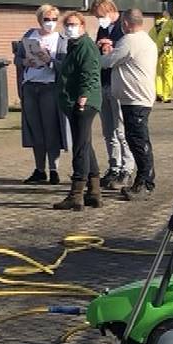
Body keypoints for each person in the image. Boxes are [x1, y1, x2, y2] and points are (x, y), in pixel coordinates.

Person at [98, 8, 159, 201]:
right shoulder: (145, 39)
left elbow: (108, 61)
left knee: (137, 140)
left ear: (125, 24)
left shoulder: (130, 41)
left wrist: (105, 51)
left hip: (135, 99)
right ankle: (145, 179)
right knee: (138, 139)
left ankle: (145, 182)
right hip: (136, 97)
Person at [52, 11, 102, 212]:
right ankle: (94, 192)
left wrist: (84, 96)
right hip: (73, 102)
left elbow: (89, 73)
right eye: (67, 24)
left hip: (83, 103)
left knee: (80, 147)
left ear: (82, 26)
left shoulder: (85, 46)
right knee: (86, 145)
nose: (70, 27)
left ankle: (76, 194)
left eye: (74, 24)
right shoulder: (74, 46)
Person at [17, 4, 68, 184]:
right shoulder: (30, 35)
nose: (50, 23)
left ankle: (54, 169)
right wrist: (24, 61)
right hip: (31, 86)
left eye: (54, 20)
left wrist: (50, 61)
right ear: (40, 19)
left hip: (49, 87)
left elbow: (65, 65)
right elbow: (18, 57)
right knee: (35, 130)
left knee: (50, 129)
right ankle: (40, 169)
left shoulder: (62, 39)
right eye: (47, 19)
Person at [90, 0, 136, 189]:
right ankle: (114, 166)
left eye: (101, 16)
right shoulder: (103, 28)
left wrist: (112, 45)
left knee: (121, 130)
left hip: (118, 83)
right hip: (104, 81)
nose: (99, 20)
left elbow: (125, 51)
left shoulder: (123, 27)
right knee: (108, 130)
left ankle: (128, 168)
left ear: (110, 10)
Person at [151, 8, 173, 103]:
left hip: (157, 54)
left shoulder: (154, 28)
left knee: (158, 74)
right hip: (169, 53)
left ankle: (159, 93)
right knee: (168, 75)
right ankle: (167, 96)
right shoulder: (169, 25)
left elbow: (151, 40)